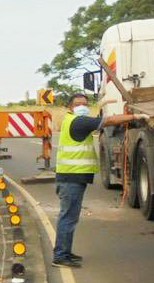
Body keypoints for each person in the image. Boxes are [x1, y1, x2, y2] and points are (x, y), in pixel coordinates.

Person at [53, 94, 147, 268]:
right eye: (78, 104)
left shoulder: (71, 120)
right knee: (68, 218)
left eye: (84, 104)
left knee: (69, 217)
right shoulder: (78, 121)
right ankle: (60, 256)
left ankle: (65, 252)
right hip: (71, 178)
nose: (82, 106)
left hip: (72, 177)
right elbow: (109, 120)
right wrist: (135, 116)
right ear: (69, 108)